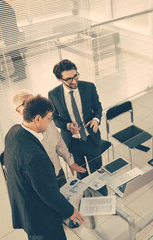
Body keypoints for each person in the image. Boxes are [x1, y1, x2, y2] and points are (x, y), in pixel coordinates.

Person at [4, 95, 84, 240]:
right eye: (49, 119)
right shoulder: (35, 157)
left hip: (25, 206)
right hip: (40, 217)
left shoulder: (14, 131)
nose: (50, 123)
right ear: (37, 119)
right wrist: (70, 210)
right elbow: (47, 193)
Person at [48, 59, 107, 196]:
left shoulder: (89, 87)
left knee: (97, 169)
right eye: (69, 79)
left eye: (76, 76)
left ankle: (103, 195)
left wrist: (96, 120)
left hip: (91, 138)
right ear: (59, 79)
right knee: (81, 173)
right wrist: (68, 126)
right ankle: (87, 195)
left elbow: (98, 107)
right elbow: (55, 118)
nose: (74, 81)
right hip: (72, 142)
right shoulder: (53, 95)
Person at [0, 0, 26, 81]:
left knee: (16, 54)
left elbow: (7, 23)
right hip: (9, 34)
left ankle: (22, 74)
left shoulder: (4, 8)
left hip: (10, 35)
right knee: (13, 54)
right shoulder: (5, 7)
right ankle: (17, 71)